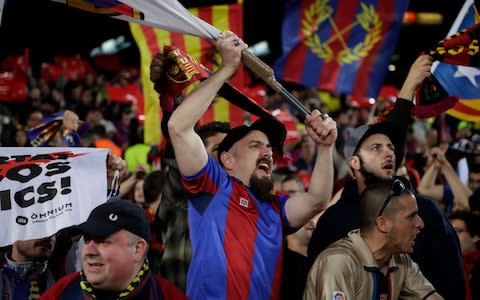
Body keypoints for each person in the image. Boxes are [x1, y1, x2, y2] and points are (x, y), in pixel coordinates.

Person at [167, 30, 337, 299]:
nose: (268, 151)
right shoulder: (211, 186)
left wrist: (326, 148)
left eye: (270, 147)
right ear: (228, 159)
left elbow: (317, 200)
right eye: (255, 144)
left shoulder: (275, 207)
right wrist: (228, 68)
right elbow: (178, 127)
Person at [307, 54, 465, 300]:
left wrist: (409, 89)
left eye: (391, 148)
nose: (388, 153)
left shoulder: (426, 214)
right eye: (376, 149)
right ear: (354, 163)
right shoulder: (334, 225)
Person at [304, 179, 444, 299]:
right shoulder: (338, 262)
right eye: (411, 216)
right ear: (382, 224)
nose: (420, 224)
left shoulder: (401, 260)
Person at [40, 200, 187, 299]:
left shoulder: (167, 295)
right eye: (87, 240)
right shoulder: (62, 291)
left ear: (138, 249)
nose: (89, 251)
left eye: (102, 241)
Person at [449, 210, 480, 300]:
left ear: (475, 237)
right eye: (449, 232)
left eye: (457, 232)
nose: (451, 237)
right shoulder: (446, 265)